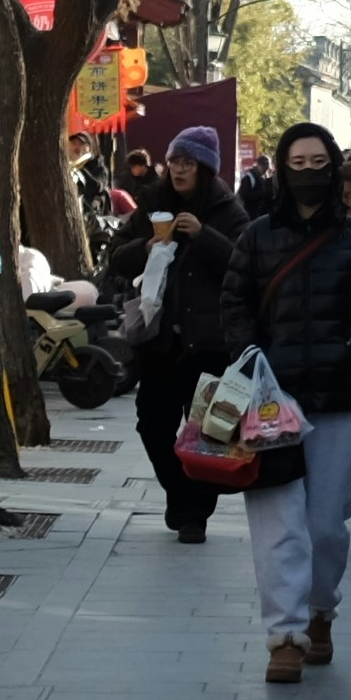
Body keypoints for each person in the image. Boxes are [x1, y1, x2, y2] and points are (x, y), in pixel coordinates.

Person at [221, 121, 351, 683]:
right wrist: (253, 358)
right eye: (296, 162)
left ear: (334, 167)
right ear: (281, 169)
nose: (308, 171)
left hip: (338, 399)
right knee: (277, 524)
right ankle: (284, 633)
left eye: (318, 162)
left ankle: (320, 610)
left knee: (327, 525)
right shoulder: (256, 236)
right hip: (270, 403)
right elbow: (233, 304)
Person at [104, 176, 235, 544]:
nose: (180, 170)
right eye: (176, 161)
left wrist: (203, 234)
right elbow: (117, 258)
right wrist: (147, 245)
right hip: (159, 341)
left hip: (209, 343)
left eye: (189, 162)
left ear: (204, 167)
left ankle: (196, 515)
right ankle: (180, 493)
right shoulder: (150, 203)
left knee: (208, 435)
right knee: (153, 426)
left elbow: (242, 262)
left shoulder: (226, 208)